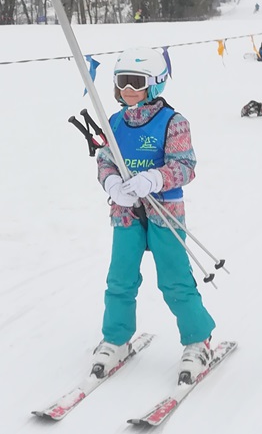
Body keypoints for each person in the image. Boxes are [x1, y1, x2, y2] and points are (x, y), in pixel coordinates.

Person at [92, 47, 216, 386]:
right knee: (120, 279)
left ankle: (198, 339)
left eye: (136, 82)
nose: (127, 89)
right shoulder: (114, 122)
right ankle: (116, 338)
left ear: (155, 83)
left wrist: (155, 179)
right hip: (126, 213)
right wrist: (111, 182)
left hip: (165, 213)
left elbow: (185, 166)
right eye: (122, 81)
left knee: (174, 280)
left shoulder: (173, 122)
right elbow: (105, 160)